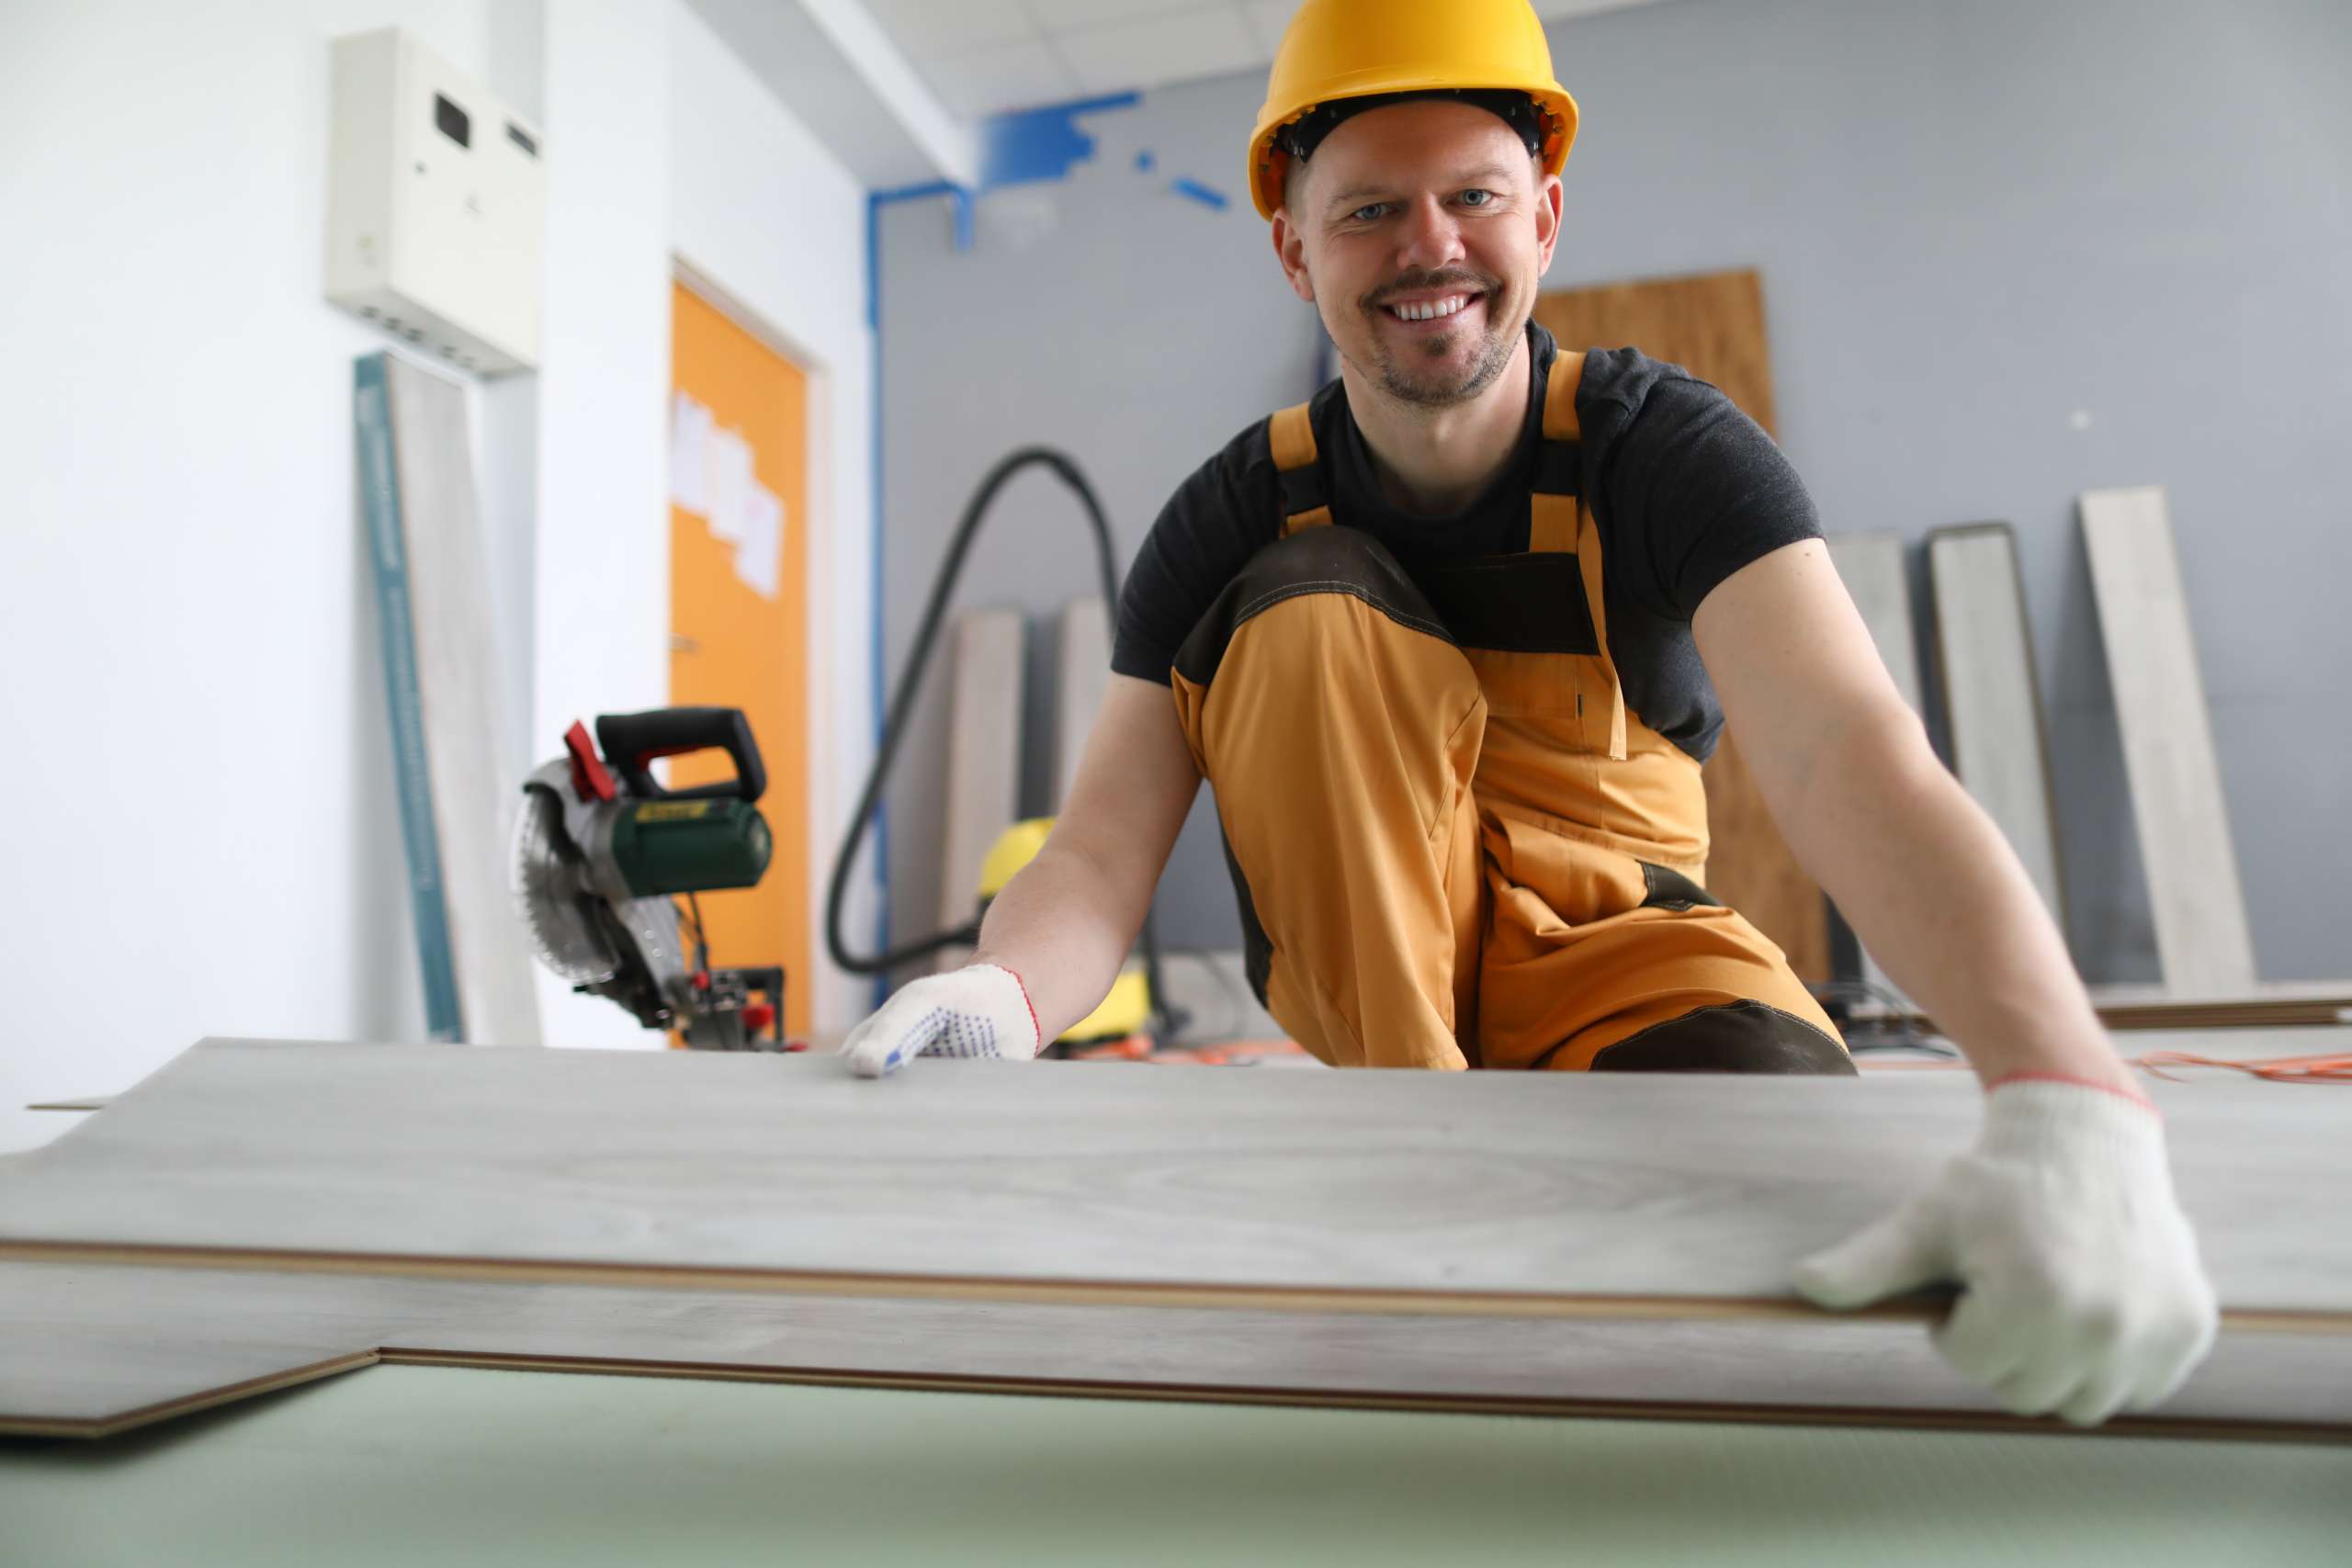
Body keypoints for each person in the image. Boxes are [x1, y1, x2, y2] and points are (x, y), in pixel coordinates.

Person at [840, 0, 2216, 1427]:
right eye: (1370, 209)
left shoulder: (1666, 453)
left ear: (1544, 217)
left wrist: (2066, 1097)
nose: (1427, 246)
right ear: (1294, 248)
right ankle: (1409, 1162)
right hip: (1376, 984)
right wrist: (996, 1000)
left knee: (1814, 1220)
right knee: (1306, 596)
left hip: (1630, 954)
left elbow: (1847, 751)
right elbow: (1099, 852)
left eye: (1473, 198)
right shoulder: (1231, 516)